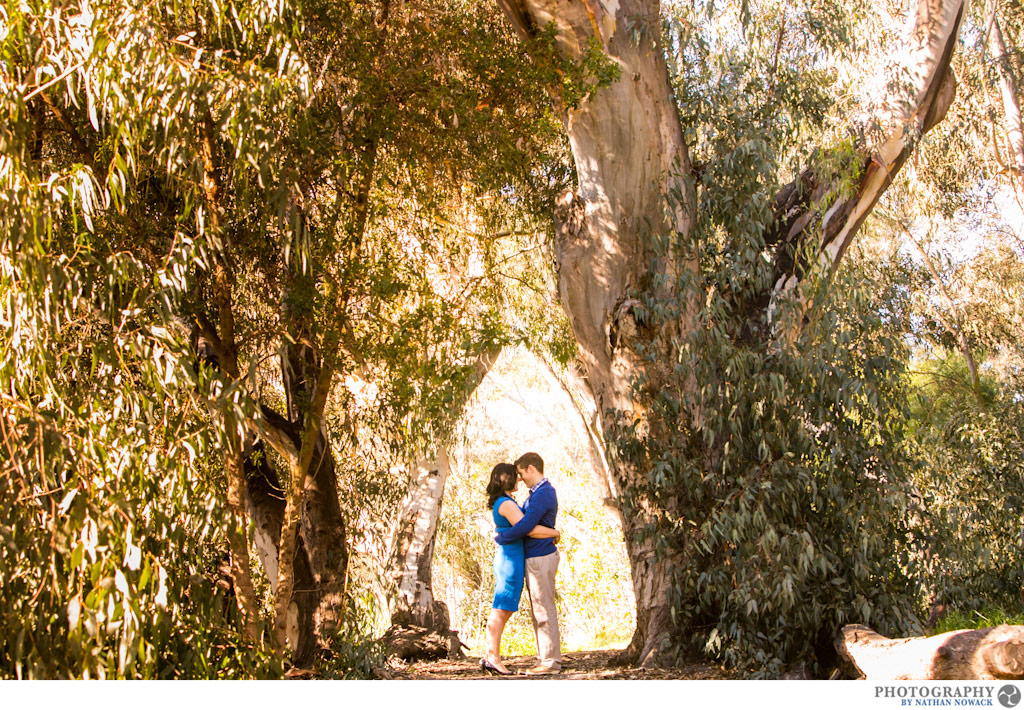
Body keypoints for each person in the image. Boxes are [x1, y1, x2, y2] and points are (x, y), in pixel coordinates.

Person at [482, 462, 560, 676]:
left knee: (505, 608)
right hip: (509, 559)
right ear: (505, 478)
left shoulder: (508, 501)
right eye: (514, 476)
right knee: (502, 607)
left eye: (519, 474)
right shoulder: (506, 503)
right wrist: (554, 533)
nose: (518, 479)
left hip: (514, 557)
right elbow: (528, 529)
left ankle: (492, 655)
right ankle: (492, 657)